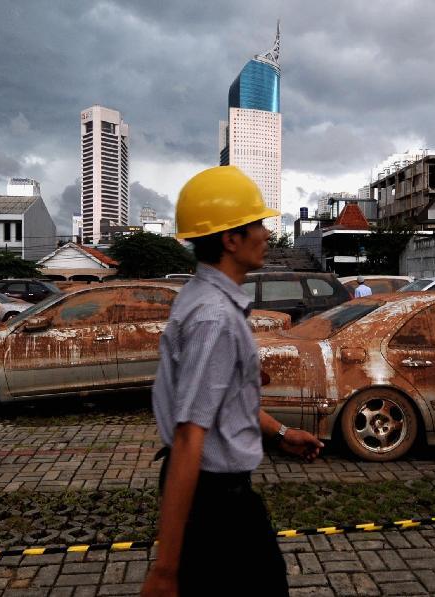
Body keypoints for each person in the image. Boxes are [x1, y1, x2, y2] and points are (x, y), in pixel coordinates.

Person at [142, 166, 324, 597]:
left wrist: (280, 433)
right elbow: (190, 436)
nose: (266, 233)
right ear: (230, 239)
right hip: (216, 506)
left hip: (218, 498)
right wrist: (165, 571)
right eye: (258, 223)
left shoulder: (203, 300)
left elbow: (218, 401)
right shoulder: (215, 317)